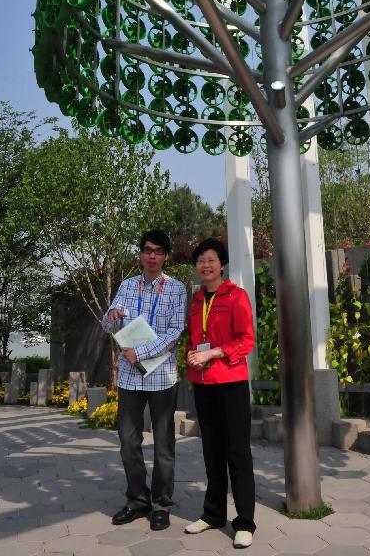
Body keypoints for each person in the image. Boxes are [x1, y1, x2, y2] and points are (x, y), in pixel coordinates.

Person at [102, 229, 186, 531]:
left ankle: (162, 504)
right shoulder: (126, 286)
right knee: (127, 442)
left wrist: (141, 352)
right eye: (147, 250)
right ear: (140, 253)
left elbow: (175, 332)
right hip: (128, 378)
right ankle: (137, 499)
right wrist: (110, 317)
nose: (152, 256)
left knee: (164, 444)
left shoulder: (176, 289)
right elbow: (107, 322)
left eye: (158, 251)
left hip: (162, 377)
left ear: (165, 257)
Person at [184, 238, 256, 550]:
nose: (206, 265)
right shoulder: (196, 299)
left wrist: (214, 352)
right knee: (211, 452)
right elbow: (194, 338)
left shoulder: (236, 296)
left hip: (231, 384)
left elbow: (246, 340)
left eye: (211, 259)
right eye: (201, 260)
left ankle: (245, 522)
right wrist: (191, 354)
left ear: (222, 265)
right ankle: (213, 515)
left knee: (237, 453)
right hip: (203, 384)